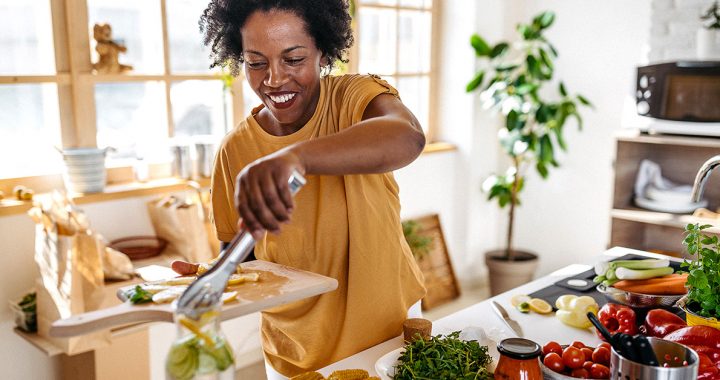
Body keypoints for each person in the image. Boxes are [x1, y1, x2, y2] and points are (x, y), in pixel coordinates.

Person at [199, 0, 427, 377]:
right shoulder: (234, 149)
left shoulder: (354, 99)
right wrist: (212, 274)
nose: (273, 79)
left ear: (322, 51)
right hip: (295, 349)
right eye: (256, 63)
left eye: (293, 59)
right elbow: (241, 256)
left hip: (387, 335)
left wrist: (296, 157)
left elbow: (408, 137)